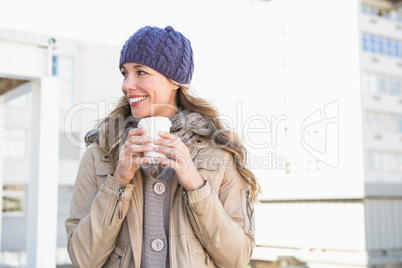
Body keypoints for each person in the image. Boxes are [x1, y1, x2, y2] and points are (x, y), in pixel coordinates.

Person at [65, 25, 260, 268]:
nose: (127, 85)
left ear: (175, 81)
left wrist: (195, 184)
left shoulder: (218, 152)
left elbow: (237, 258)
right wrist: (118, 180)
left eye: (141, 72)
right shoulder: (100, 152)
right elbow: (83, 259)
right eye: (125, 73)